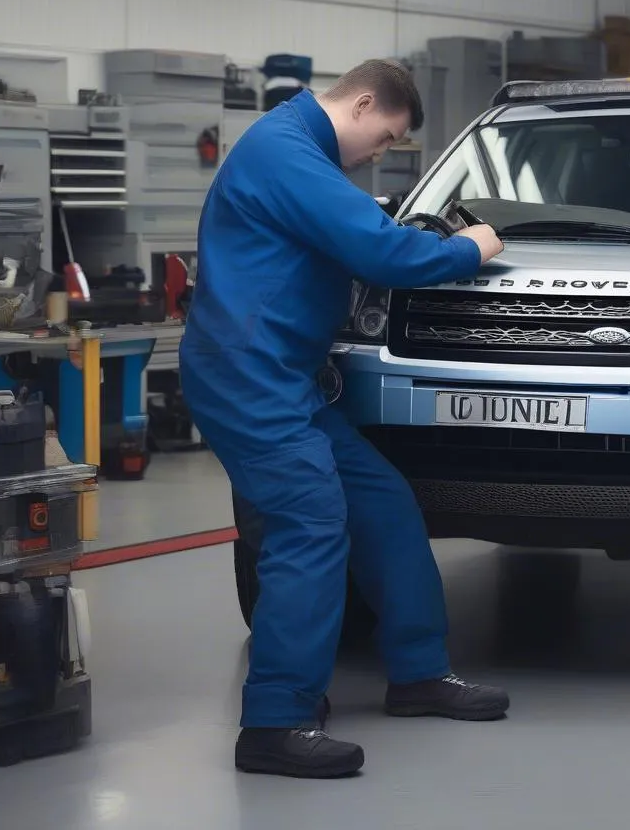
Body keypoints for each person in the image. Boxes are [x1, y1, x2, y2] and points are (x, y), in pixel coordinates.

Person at [179, 60, 508, 779]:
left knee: (382, 502)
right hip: (247, 376)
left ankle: (419, 674)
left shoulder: (298, 151)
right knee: (311, 520)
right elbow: (380, 250)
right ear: (362, 103)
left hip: (285, 377)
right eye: (385, 139)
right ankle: (274, 721)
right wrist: (469, 248)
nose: (379, 155)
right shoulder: (286, 152)